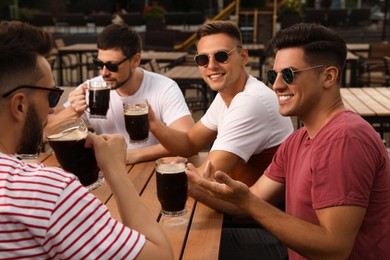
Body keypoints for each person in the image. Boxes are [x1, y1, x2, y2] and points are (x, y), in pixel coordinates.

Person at [185, 23, 390, 259]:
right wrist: (193, 188)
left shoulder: (344, 139)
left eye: (290, 74)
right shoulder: (298, 140)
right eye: (274, 75)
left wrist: (248, 202)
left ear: (328, 76)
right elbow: (250, 200)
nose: (277, 85)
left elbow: (334, 249)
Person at [0, 21, 173, 259]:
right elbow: (160, 256)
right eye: (51, 97)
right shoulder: (46, 192)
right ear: (19, 105)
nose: (52, 111)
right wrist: (115, 170)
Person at [149, 20, 293, 187]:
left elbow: (205, 178)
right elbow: (189, 143)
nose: (211, 65)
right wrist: (153, 124)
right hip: (237, 202)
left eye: (221, 56)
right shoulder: (227, 95)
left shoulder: (250, 101)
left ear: (243, 57)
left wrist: (183, 170)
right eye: (203, 59)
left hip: (256, 210)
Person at [46, 23, 194, 164]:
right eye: (99, 64)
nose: (104, 73)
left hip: (153, 168)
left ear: (135, 61)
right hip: (110, 170)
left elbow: (189, 141)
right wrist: (72, 111)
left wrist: (134, 155)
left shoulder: (164, 88)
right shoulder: (92, 88)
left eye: (112, 66)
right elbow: (43, 133)